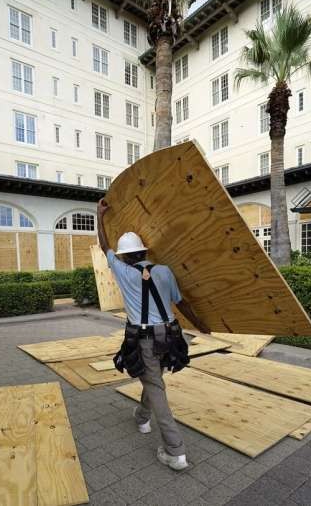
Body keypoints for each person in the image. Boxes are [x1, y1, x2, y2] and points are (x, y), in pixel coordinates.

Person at [96, 198, 211, 471]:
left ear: (124, 256)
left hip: (144, 339)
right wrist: (199, 324)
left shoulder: (122, 271)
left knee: (156, 387)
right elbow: (180, 302)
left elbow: (104, 246)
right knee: (154, 379)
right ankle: (141, 417)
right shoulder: (164, 271)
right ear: (144, 251)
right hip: (170, 337)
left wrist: (98, 215)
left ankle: (175, 451)